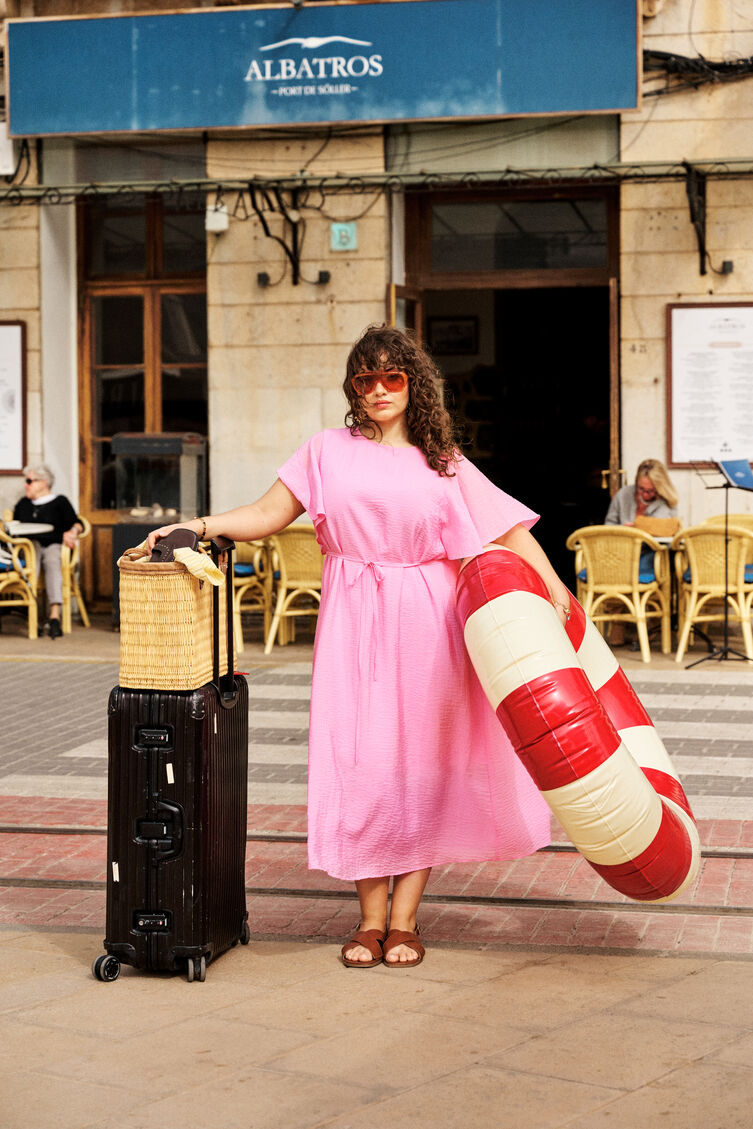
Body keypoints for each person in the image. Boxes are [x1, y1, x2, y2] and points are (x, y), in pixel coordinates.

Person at [147, 325, 571, 968]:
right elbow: (265, 516)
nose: (378, 389)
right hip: (353, 619)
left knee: (423, 765)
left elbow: (506, 529)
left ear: (414, 382)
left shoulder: (443, 457)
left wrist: (555, 589)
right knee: (361, 763)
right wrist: (196, 525)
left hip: (431, 622)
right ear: (352, 387)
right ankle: (368, 919)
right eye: (364, 378)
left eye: (392, 376)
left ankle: (404, 921)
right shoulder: (325, 451)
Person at [13, 465, 84, 638]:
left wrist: (73, 532)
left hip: (54, 544)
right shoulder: (23, 504)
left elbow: (77, 523)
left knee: (52, 560)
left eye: (29, 481)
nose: (26, 485)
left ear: (43, 483)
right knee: (32, 556)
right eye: (26, 481)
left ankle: (54, 616)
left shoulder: (60, 502)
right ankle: (33, 615)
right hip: (31, 545)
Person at [605, 458, 679, 526]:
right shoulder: (623, 494)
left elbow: (669, 532)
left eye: (651, 491)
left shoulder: (667, 501)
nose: (645, 495)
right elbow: (608, 525)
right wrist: (623, 529)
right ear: (636, 482)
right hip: (624, 540)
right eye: (641, 488)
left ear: (660, 488)